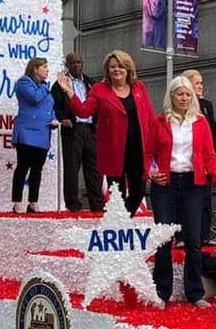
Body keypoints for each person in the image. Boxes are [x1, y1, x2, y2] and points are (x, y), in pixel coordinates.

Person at [147, 76, 216, 308]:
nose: (183, 98)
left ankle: (195, 292)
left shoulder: (200, 122)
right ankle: (162, 292)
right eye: (179, 94)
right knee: (165, 239)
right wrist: (151, 173)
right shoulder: (160, 121)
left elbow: (209, 155)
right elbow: (148, 156)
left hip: (194, 184)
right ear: (171, 96)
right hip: (166, 184)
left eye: (187, 94)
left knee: (194, 239)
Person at [58, 50, 156, 215]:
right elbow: (83, 111)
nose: (117, 70)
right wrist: (69, 91)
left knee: (138, 192)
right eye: (112, 67)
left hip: (138, 150)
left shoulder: (139, 87)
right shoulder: (99, 89)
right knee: (117, 195)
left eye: (121, 66)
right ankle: (119, 223)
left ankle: (123, 218)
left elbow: (150, 117)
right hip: (113, 152)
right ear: (107, 70)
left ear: (128, 69)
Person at [52, 52, 103, 212]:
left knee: (94, 169)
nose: (76, 65)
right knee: (72, 168)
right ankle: (73, 205)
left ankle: (97, 205)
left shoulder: (90, 83)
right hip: (72, 129)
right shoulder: (60, 84)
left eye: (79, 62)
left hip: (90, 129)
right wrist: (62, 119)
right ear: (66, 65)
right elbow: (55, 106)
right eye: (73, 63)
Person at [11, 57, 59, 213]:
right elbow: (34, 98)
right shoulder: (24, 82)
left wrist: (53, 118)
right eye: (44, 67)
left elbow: (50, 106)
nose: (47, 70)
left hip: (43, 132)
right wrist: (46, 87)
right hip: (27, 131)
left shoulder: (43, 87)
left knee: (37, 169)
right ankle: (17, 200)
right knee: (23, 166)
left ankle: (33, 201)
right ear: (35, 68)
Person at [181, 69, 216, 244]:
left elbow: (214, 133)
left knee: (206, 198)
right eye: (196, 82)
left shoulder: (206, 105)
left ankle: (204, 234)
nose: (200, 86)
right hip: (188, 161)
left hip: (206, 159)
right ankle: (183, 235)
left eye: (201, 83)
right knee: (187, 199)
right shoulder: (182, 104)